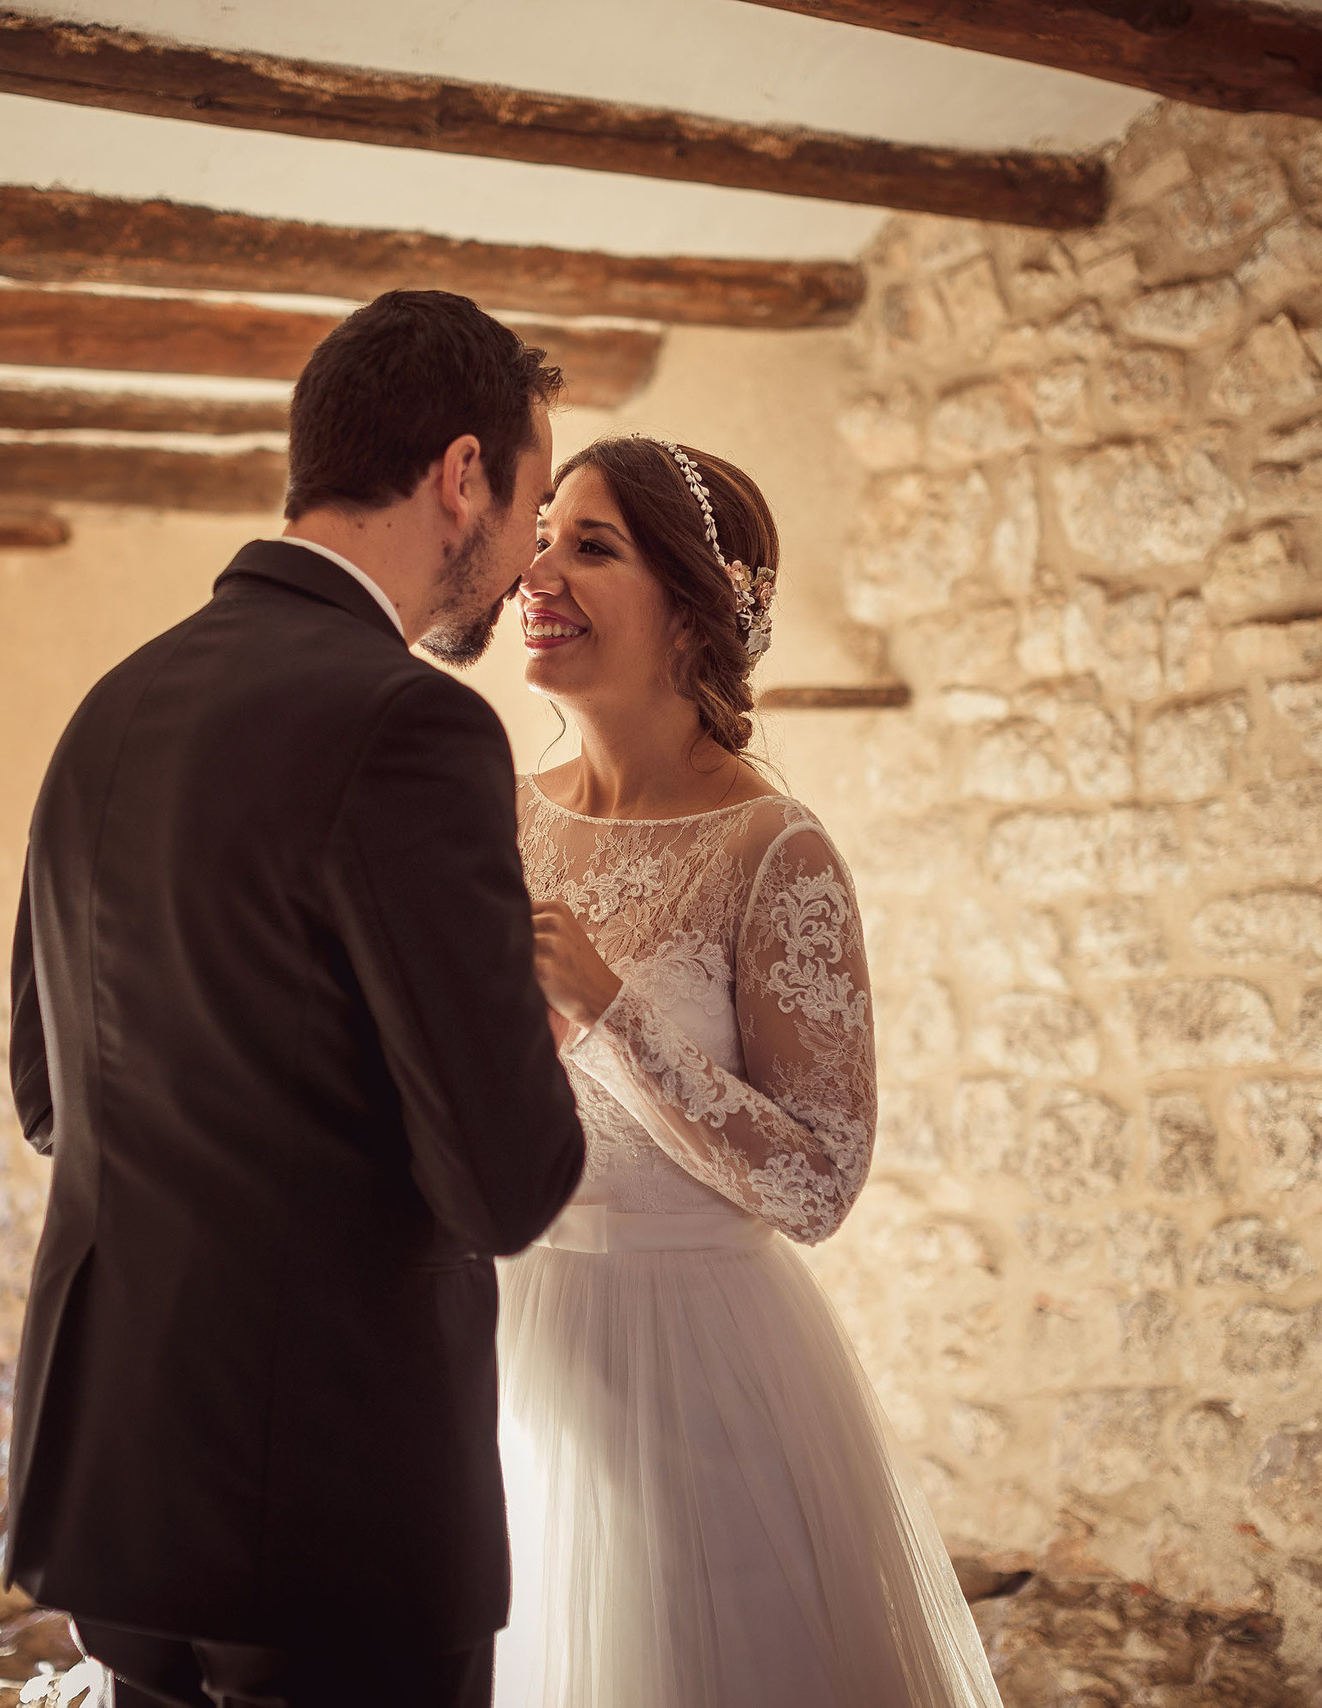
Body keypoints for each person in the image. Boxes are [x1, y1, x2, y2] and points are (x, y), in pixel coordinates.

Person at [4, 290, 589, 1708]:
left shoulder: (113, 705)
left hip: (116, 1484)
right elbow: (505, 1185)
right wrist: (539, 1022)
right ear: (461, 476)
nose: (523, 563)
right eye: (526, 507)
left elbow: (45, 1091)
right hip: (331, 1511)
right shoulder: (412, 726)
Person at [498, 434, 1002, 1707]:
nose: (534, 570)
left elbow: (819, 1182)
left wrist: (610, 1014)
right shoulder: (495, 812)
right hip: (501, 1346)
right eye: (543, 533)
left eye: (589, 545)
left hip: (699, 1369)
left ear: (693, 612)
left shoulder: (776, 851)